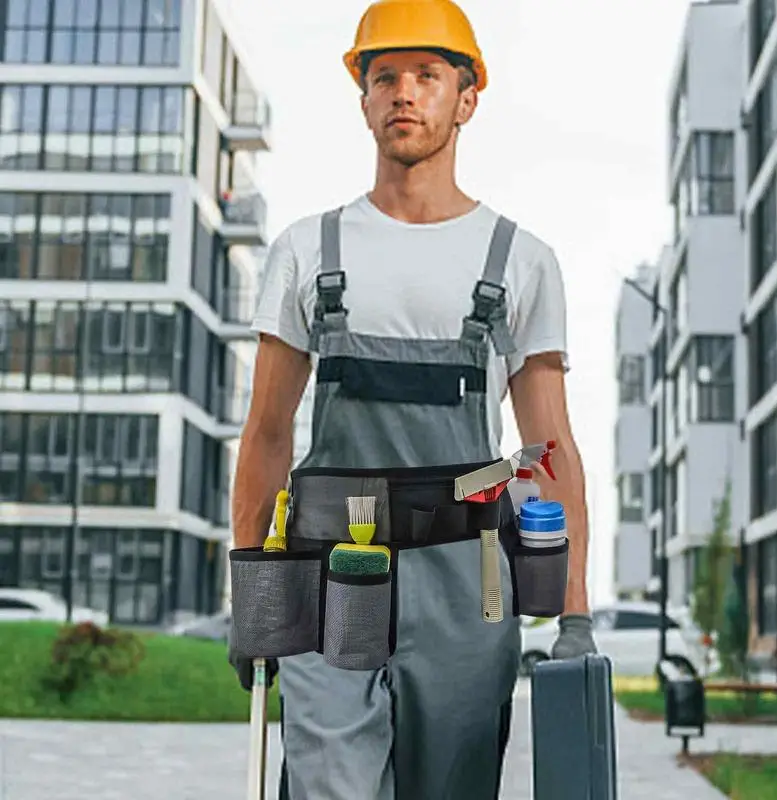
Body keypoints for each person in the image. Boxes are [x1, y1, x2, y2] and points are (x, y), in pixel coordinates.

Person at [229, 1, 597, 797]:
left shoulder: (522, 261)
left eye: (428, 75)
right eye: (384, 75)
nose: (404, 92)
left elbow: (551, 448)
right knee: (331, 785)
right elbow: (265, 435)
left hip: (470, 582)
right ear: (362, 99)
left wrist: (574, 615)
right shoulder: (305, 251)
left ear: (466, 99)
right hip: (332, 572)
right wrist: (254, 587)